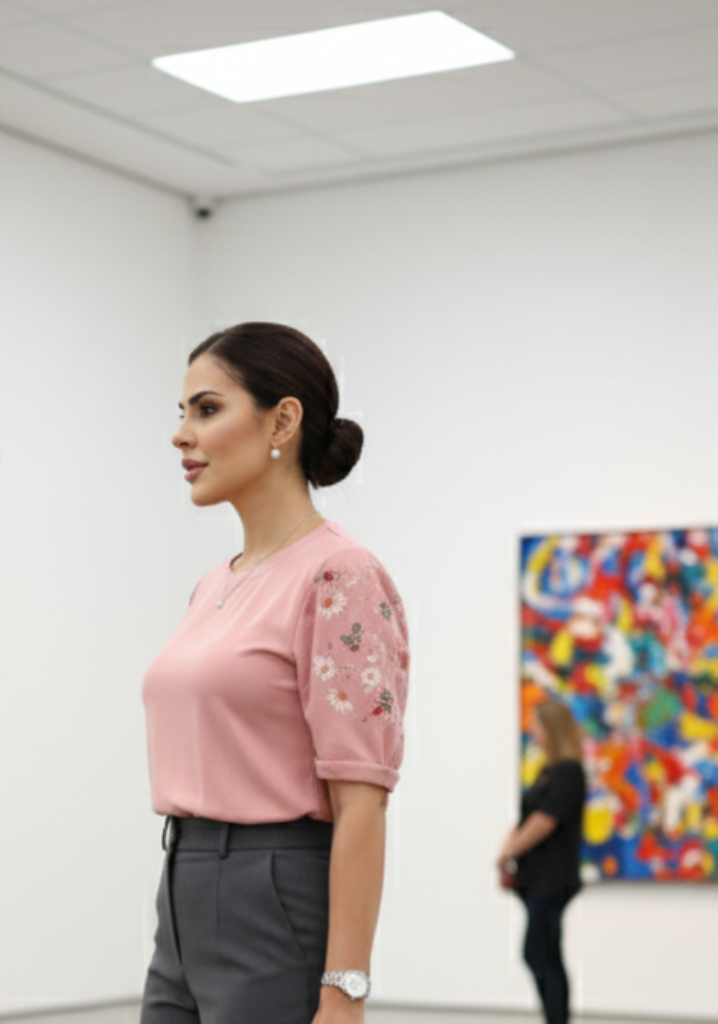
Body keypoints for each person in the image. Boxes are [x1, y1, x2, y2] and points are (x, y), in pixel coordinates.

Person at [140, 323, 410, 1024]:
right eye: (182, 413)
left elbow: (362, 804)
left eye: (207, 409)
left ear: (282, 421)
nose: (181, 435)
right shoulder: (212, 585)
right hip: (181, 887)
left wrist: (344, 992)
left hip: (271, 892)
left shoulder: (340, 576)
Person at [498, 698, 586, 1024]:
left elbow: (543, 821)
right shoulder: (547, 773)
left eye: (537, 724)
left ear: (552, 729)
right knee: (546, 953)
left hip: (553, 880)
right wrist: (506, 854)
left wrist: (509, 852)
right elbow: (527, 818)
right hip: (537, 879)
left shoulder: (568, 772)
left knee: (538, 952)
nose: (532, 730)